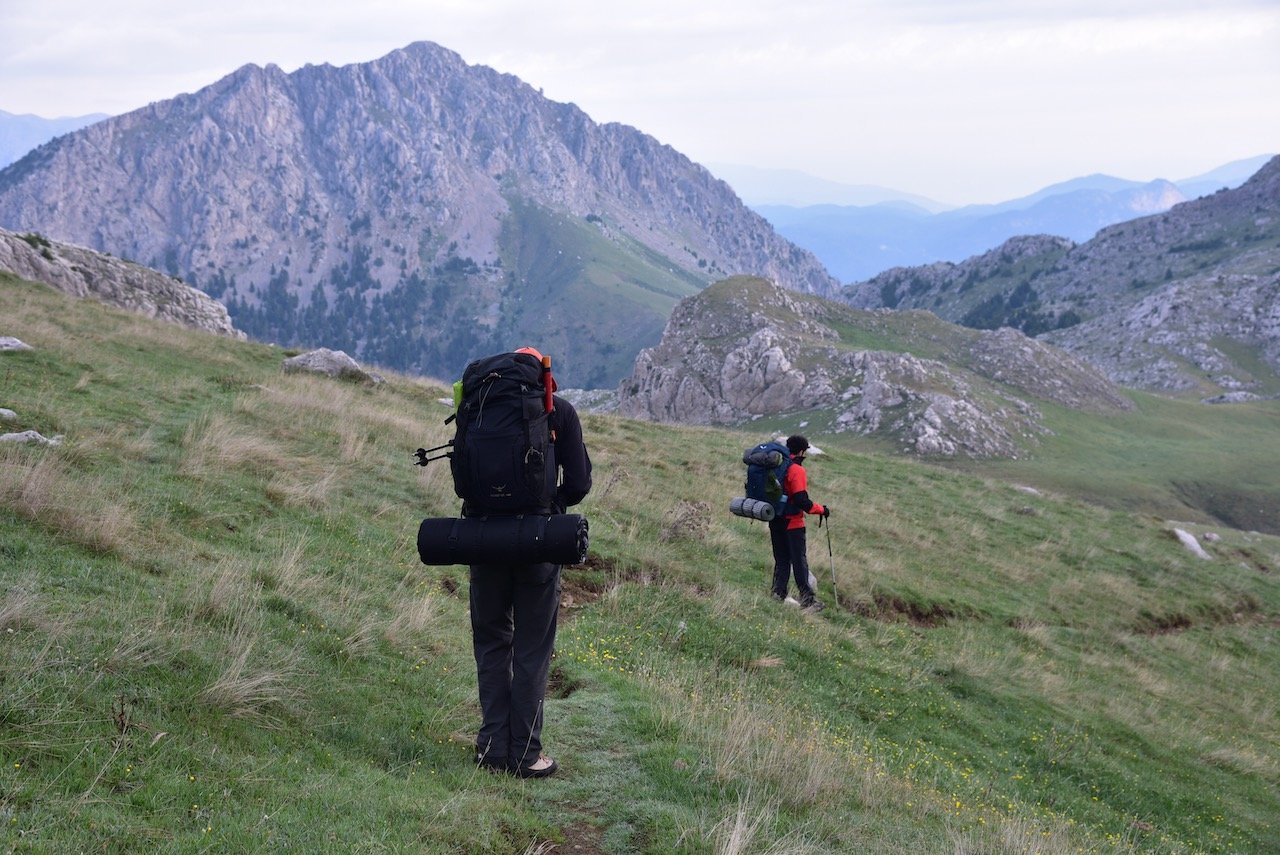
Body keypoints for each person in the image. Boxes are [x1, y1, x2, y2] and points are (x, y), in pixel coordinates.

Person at [468, 346, 591, 779]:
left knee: (491, 641)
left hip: (482, 540)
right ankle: (525, 754)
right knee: (532, 650)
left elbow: (464, 478)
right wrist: (549, 506)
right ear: (543, 375)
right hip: (536, 542)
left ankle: (491, 747)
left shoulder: (478, 405)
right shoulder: (558, 411)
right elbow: (578, 483)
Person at [769, 435, 829, 611]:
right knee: (799, 561)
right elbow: (802, 500)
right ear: (802, 451)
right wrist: (821, 509)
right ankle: (808, 600)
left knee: (781, 559)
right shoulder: (797, 470)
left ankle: (777, 593)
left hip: (775, 518)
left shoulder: (779, 465)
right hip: (793, 523)